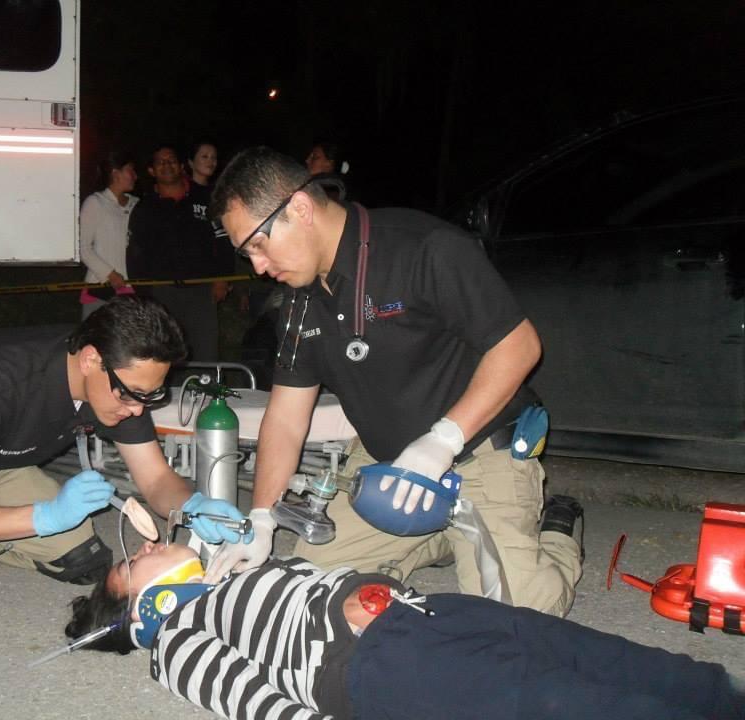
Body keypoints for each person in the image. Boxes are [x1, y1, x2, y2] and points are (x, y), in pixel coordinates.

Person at [203, 147, 582, 619]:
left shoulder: (424, 248)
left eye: (258, 245)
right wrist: (261, 517)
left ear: (299, 208)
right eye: (246, 254)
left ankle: (558, 530)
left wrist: (442, 441)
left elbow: (520, 346)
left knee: (515, 620)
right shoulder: (300, 301)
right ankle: (439, 536)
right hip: (385, 470)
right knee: (309, 590)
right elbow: (285, 418)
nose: (257, 266)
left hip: (478, 455)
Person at [0, 296, 248, 631]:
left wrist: (193, 506)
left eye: (150, 396)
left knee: (86, 561)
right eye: (132, 395)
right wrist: (46, 517)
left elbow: (156, 479)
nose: (137, 409)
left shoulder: (121, 380)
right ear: (91, 359)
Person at [66, 543, 745, 720]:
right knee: (561, 702)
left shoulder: (222, 576)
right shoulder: (176, 643)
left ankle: (720, 696)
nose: (147, 544)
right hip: (376, 665)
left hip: (426, 611)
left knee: (592, 653)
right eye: (133, 561)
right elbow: (247, 699)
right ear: (143, 607)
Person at [126, 144, 233, 361]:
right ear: (152, 170)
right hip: (162, 293)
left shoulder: (205, 198)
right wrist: (143, 293)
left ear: (182, 166)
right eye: (160, 162)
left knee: (206, 351)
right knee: (166, 353)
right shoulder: (145, 208)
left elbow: (223, 240)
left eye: (172, 160)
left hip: (201, 290)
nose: (167, 165)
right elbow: (135, 253)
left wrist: (222, 278)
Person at [79, 149, 138, 319]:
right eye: (131, 170)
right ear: (116, 173)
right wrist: (110, 274)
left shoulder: (136, 204)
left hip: (134, 289)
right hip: (101, 289)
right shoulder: (95, 202)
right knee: (96, 335)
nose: (135, 176)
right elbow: (83, 248)